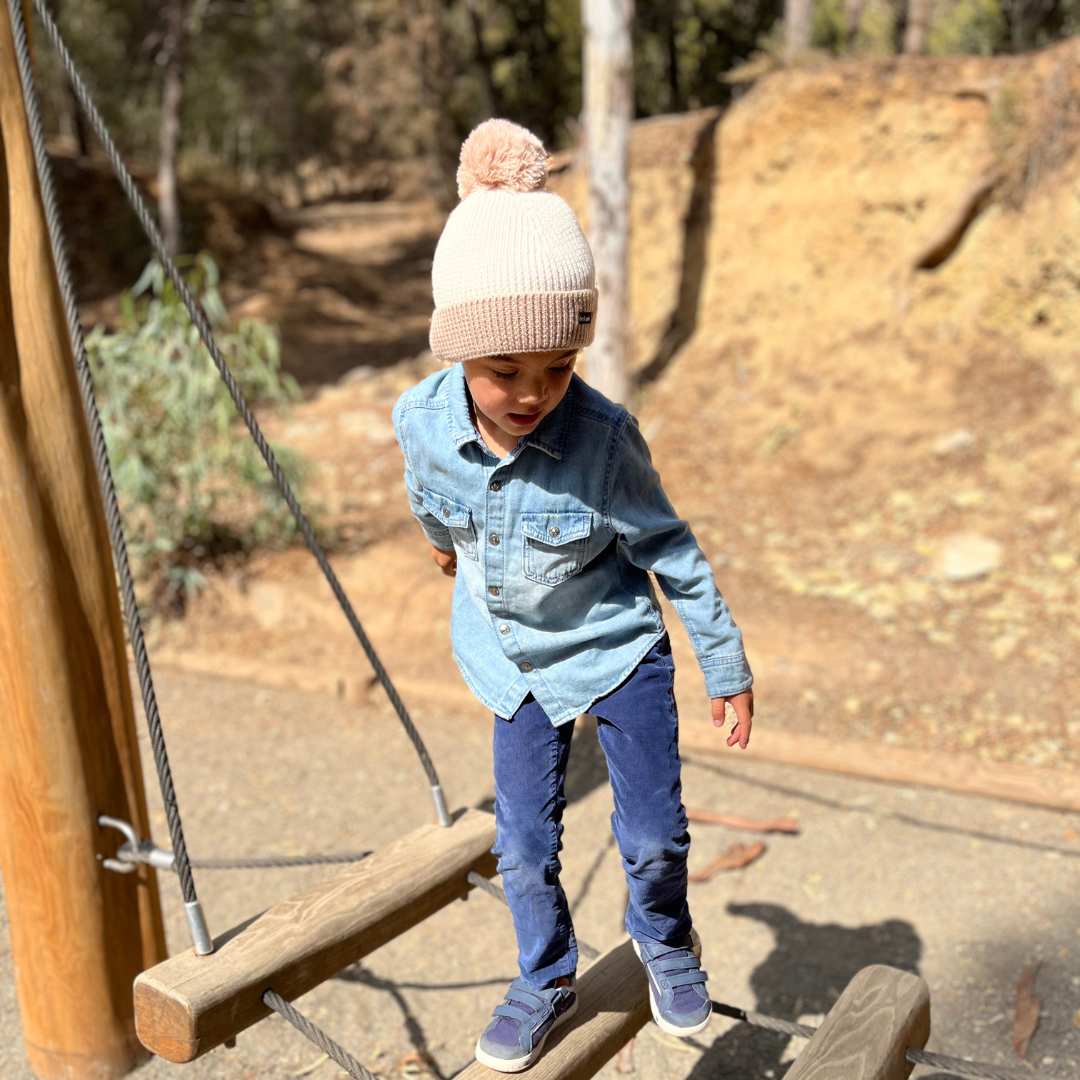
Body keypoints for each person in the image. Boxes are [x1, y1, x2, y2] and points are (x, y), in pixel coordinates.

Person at [392, 118, 754, 1073]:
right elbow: (431, 498)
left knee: (652, 835)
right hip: (511, 654)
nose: (531, 393)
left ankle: (666, 941)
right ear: (457, 354)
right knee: (521, 844)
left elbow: (670, 547)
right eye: (504, 371)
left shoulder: (601, 437)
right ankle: (543, 976)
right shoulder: (419, 422)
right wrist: (442, 548)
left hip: (613, 641)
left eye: (557, 368)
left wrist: (723, 661)